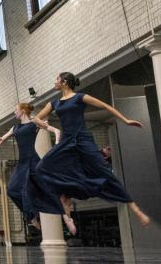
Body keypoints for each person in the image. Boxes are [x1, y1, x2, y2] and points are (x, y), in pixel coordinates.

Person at [32, 72, 151, 228]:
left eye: (57, 79)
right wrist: (45, 125)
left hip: (83, 139)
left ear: (65, 82)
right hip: (66, 142)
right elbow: (36, 118)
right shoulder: (54, 103)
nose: (55, 82)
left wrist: (125, 120)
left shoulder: (80, 97)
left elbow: (105, 106)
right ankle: (65, 198)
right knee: (43, 168)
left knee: (105, 172)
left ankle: (136, 209)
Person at [0, 103, 74, 234]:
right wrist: (0, 140)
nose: (14, 113)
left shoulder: (34, 123)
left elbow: (56, 131)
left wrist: (57, 143)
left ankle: (66, 218)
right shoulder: (15, 127)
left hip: (33, 161)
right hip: (22, 163)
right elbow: (2, 139)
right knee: (12, 190)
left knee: (47, 189)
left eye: (16, 110)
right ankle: (32, 216)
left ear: (23, 111)